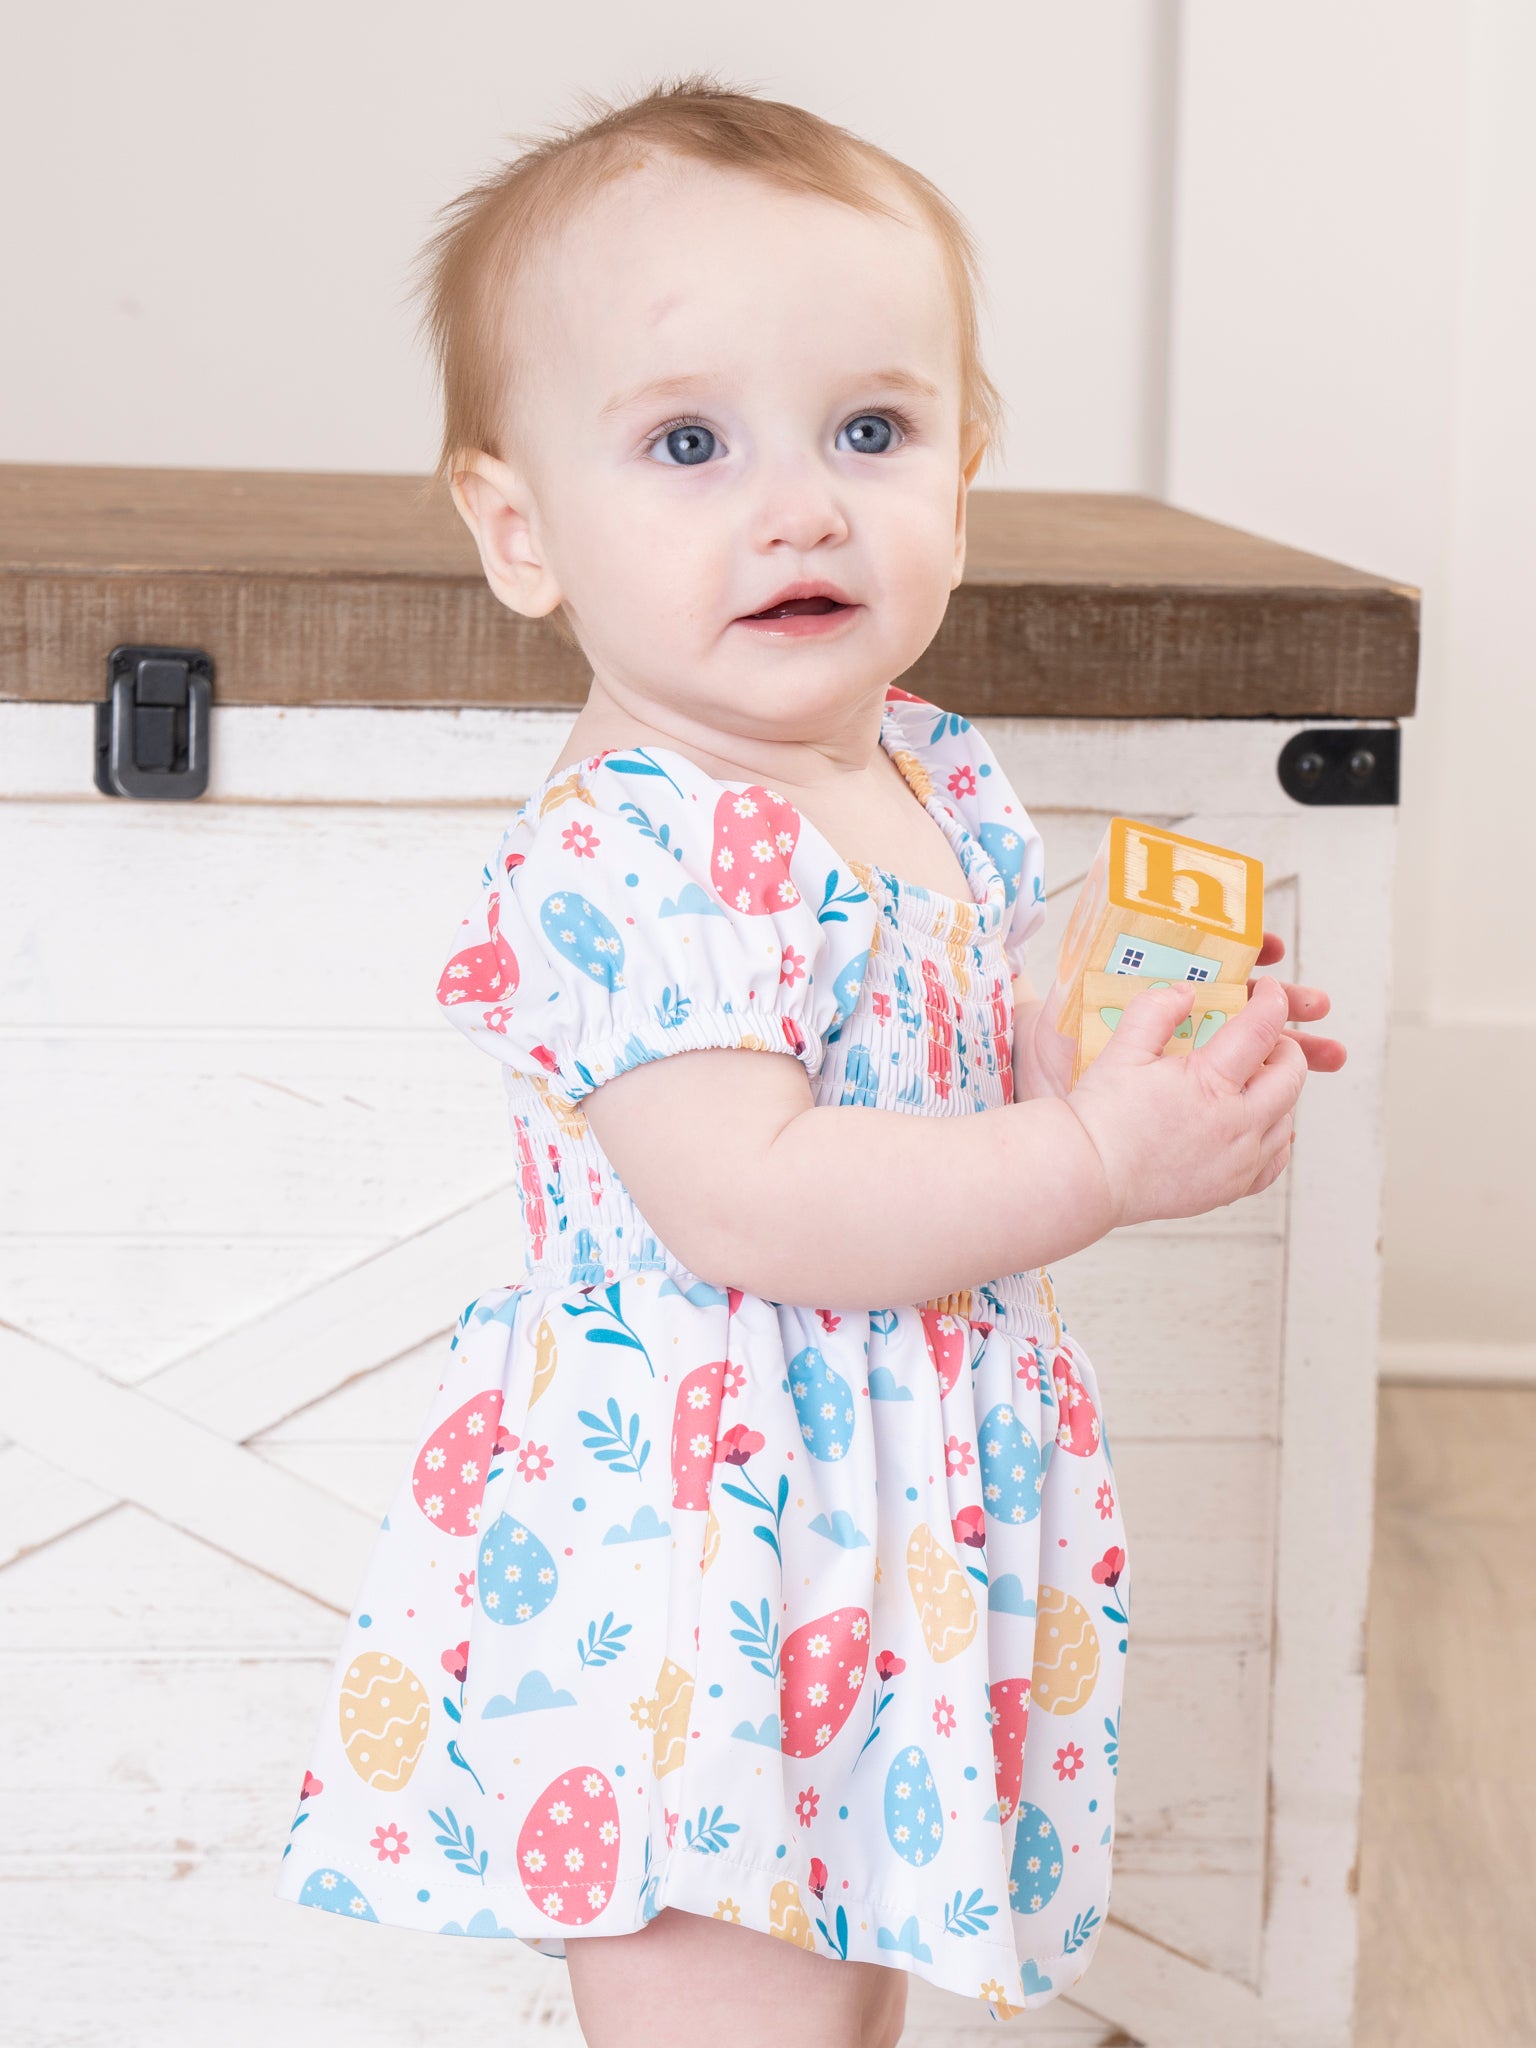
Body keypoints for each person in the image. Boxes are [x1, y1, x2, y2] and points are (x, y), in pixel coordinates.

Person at [272, 72, 1342, 2045]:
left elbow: (945, 1049)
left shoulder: (925, 769)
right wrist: (1099, 1161)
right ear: (521, 529)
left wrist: (1127, 1035)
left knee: (840, 2014)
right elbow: (756, 1198)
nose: (801, 504)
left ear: (963, 481)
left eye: (871, 429)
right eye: (689, 443)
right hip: (705, 1569)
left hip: (879, 1537)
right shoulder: (630, 849)